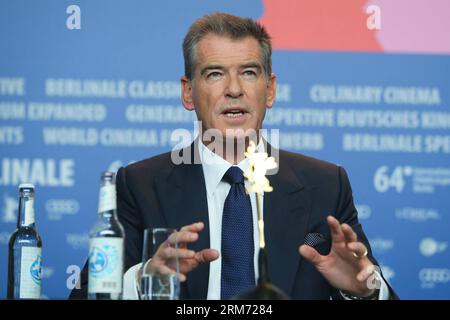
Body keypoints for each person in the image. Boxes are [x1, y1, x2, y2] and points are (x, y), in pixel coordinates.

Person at [70, 12, 397, 300]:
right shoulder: (139, 186)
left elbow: (370, 286)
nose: (234, 89)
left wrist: (364, 291)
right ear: (188, 92)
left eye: (249, 73)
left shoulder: (326, 186)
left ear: (270, 90)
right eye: (215, 74)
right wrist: (143, 282)